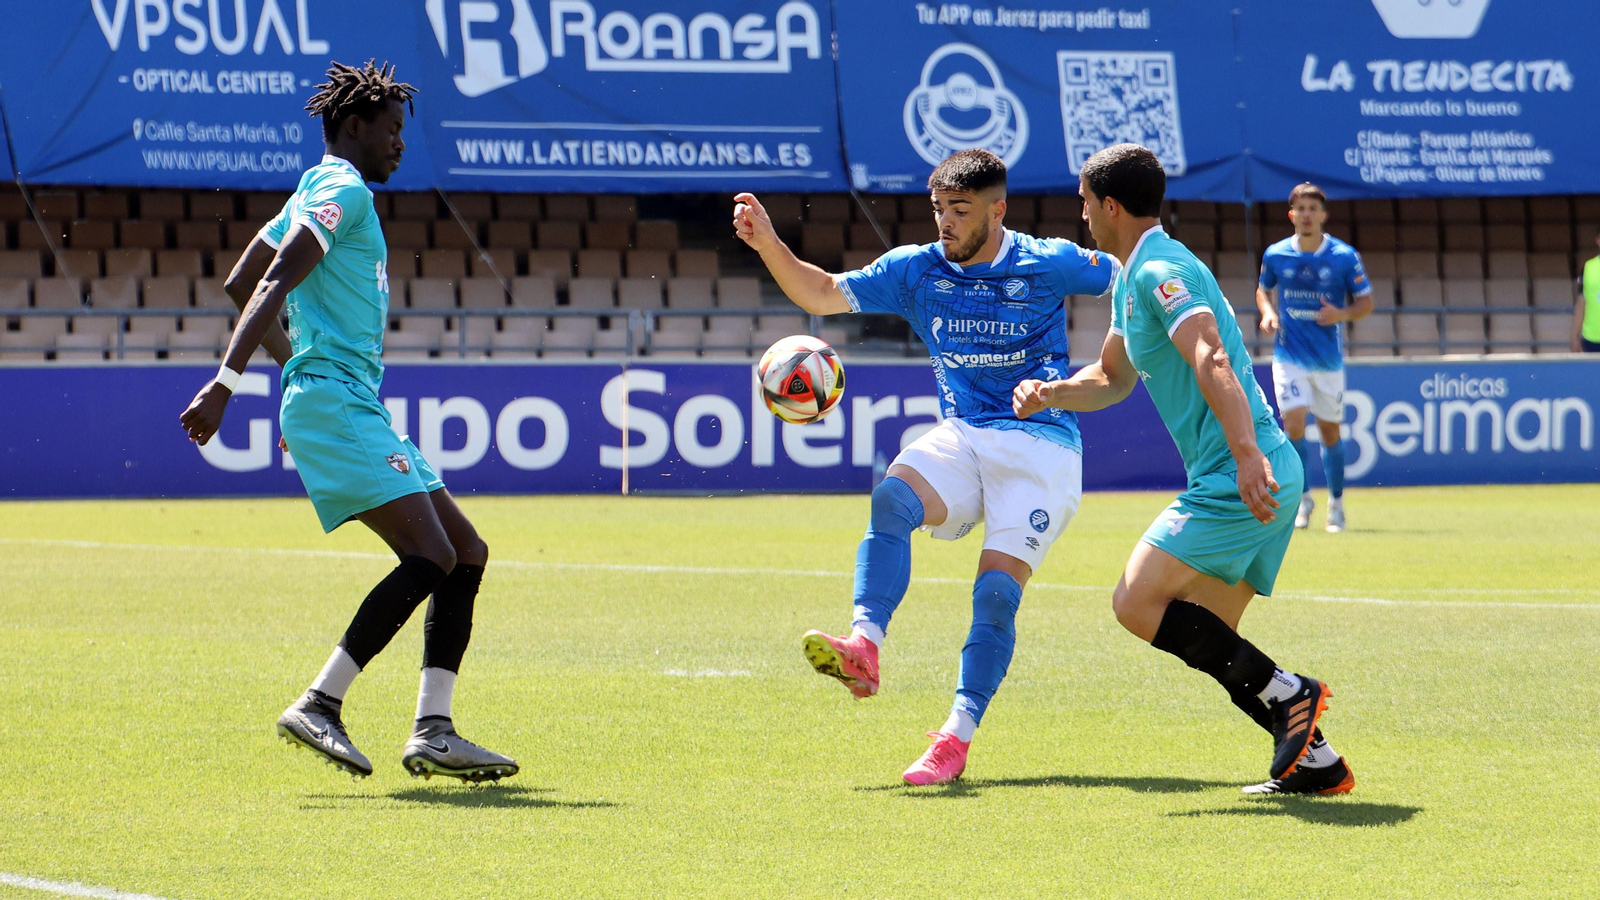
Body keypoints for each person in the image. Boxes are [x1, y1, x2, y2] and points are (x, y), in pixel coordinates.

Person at [179, 61, 516, 784]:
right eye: (392, 129)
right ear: (354, 126)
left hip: (345, 397)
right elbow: (270, 284)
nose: (400, 142)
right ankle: (320, 701)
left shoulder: (312, 187)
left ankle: (434, 729)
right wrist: (226, 382)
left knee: (466, 550)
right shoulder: (341, 188)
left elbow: (242, 278)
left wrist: (292, 370)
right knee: (430, 556)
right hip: (336, 397)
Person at [733, 149, 1116, 785]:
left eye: (960, 211)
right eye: (938, 209)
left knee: (995, 596)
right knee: (892, 498)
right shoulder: (917, 270)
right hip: (965, 435)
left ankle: (954, 739)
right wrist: (769, 242)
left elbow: (1133, 279)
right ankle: (864, 646)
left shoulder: (1050, 262)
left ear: (997, 211)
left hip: (1042, 444)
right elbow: (822, 292)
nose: (945, 223)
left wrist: (1115, 363)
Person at [1013, 144, 1353, 796]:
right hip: (1252, 469)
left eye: (1085, 203)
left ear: (1110, 206)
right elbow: (1111, 380)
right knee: (1217, 644)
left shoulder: (1162, 269)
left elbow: (1212, 358)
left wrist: (1246, 455)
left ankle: (1292, 693)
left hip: (1239, 472)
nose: (1082, 215)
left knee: (1136, 602)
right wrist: (1050, 392)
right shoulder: (1132, 279)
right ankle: (1318, 764)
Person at [1255, 183, 1373, 533]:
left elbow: (1366, 303)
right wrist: (1268, 313)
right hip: (1289, 354)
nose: (1306, 214)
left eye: (1312, 208)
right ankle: (1302, 500)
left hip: (1327, 361)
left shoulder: (1343, 256)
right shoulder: (1276, 254)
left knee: (1330, 433)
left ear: (1323, 215)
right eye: (1300, 208)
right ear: (1291, 214)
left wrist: (1341, 314)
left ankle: (1335, 504)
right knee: (1293, 425)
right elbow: (1264, 289)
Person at [1572, 224, 1600, 353]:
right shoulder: (1588, 268)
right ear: (1598, 240)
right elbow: (1581, 303)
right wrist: (1574, 337)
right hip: (1591, 340)